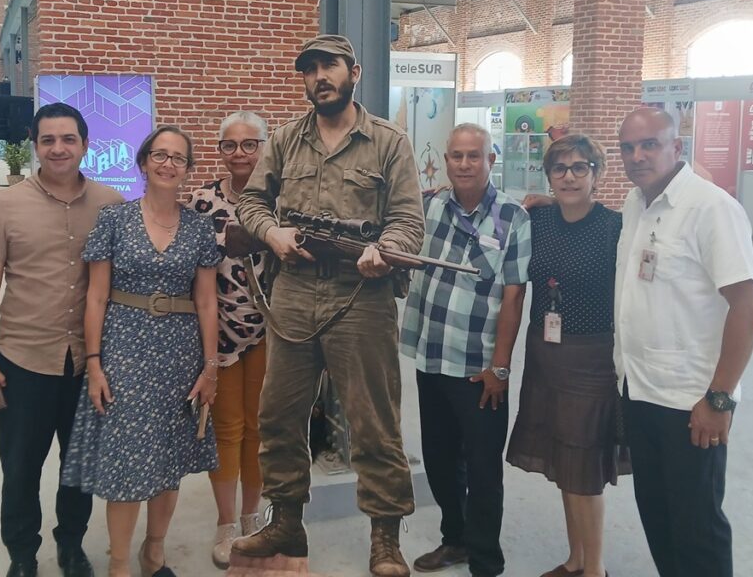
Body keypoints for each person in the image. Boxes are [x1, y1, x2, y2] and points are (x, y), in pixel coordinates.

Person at [234, 34, 425, 577]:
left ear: (354, 72)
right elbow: (251, 200)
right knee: (278, 414)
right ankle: (286, 519)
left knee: (374, 420)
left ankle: (385, 538)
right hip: (292, 292)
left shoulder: (389, 142)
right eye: (310, 69)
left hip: (361, 298)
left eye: (330, 67)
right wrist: (271, 234)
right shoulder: (287, 139)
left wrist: (386, 251)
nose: (320, 77)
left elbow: (409, 219)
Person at [0, 103, 123, 577]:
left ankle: (71, 547)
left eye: (68, 139)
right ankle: (21, 555)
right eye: (48, 140)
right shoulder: (6, 204)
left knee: (78, 469)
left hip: (88, 364)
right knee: (20, 470)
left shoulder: (111, 204)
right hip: (23, 359)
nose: (58, 148)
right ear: (35, 145)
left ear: (85, 145)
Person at [61, 125, 221, 577]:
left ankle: (154, 552)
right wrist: (94, 363)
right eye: (160, 155)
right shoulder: (114, 219)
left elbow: (208, 301)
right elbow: (95, 296)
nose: (168, 164)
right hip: (124, 350)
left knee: (167, 458)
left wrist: (210, 367)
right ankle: (118, 565)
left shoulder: (199, 228)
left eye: (178, 158)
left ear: (188, 170)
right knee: (126, 463)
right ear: (144, 161)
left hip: (179, 354)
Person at [616, 107, 753, 577]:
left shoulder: (711, 208)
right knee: (657, 516)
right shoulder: (634, 203)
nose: (638, 156)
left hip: (690, 403)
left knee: (697, 527)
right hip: (639, 391)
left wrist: (718, 398)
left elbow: (748, 307)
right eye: (628, 147)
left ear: (677, 147)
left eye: (650, 144)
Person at [400, 123, 530, 577]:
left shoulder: (512, 217)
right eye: (456, 155)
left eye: (474, 156)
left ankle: (486, 561)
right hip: (433, 357)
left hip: (479, 368)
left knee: (482, 469)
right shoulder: (431, 205)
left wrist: (500, 367)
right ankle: (454, 538)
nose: (464, 164)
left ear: (491, 160)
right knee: (438, 459)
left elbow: (513, 297)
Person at [506, 134, 630, 577]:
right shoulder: (538, 221)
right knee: (563, 461)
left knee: (583, 466)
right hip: (544, 354)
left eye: (581, 167)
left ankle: (594, 569)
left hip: (591, 359)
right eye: (560, 168)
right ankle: (576, 559)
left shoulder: (617, 227)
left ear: (598, 174)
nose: (570, 176)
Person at [187, 111, 271, 568]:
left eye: (249, 144)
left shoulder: (282, 198)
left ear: (264, 146)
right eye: (230, 145)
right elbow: (199, 278)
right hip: (218, 333)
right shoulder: (203, 202)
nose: (239, 153)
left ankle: (253, 516)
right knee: (226, 428)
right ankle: (226, 522)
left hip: (272, 333)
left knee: (259, 429)